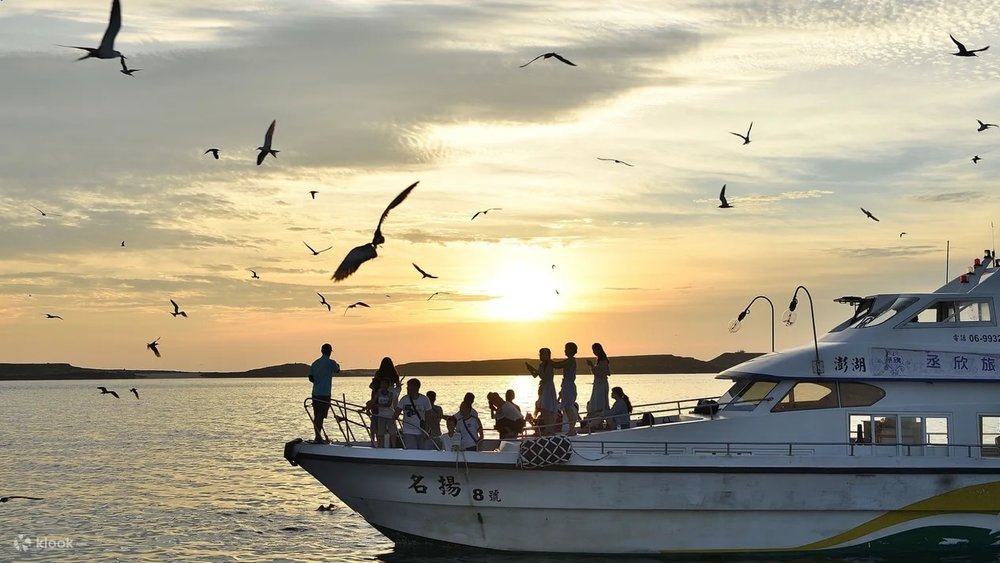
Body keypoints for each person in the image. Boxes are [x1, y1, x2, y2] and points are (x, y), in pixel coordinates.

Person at [308, 343, 340, 443]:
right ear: (330, 352)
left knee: (317, 415)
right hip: (325, 394)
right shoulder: (331, 363)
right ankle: (318, 438)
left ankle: (317, 436)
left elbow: (310, 377)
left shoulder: (315, 363)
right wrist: (338, 366)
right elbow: (337, 370)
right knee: (320, 416)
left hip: (315, 393)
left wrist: (318, 381)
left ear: (321, 351)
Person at [526, 348, 557, 435]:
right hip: (543, 386)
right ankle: (548, 428)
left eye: (541, 354)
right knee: (543, 408)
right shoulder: (541, 365)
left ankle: (550, 429)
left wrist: (536, 371)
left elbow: (545, 377)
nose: (540, 356)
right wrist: (530, 369)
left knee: (548, 407)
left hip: (548, 387)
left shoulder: (549, 364)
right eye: (539, 354)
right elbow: (536, 375)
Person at [396, 378, 431, 450]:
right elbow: (396, 414)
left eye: (409, 386)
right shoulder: (404, 399)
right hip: (408, 430)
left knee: (422, 451)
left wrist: (426, 431)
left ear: (415, 387)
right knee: (412, 450)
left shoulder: (424, 399)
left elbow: (428, 416)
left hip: (421, 430)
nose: (407, 388)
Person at [552, 342, 579, 436]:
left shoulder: (571, 360)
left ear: (571, 350)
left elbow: (557, 365)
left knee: (568, 407)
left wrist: (549, 361)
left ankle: (572, 429)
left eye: (566, 349)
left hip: (569, 385)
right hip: (567, 385)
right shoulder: (570, 360)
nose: (565, 350)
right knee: (567, 408)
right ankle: (572, 429)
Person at [585, 343, 611, 425]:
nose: (594, 352)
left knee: (600, 403)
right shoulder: (600, 360)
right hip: (598, 384)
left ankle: (602, 422)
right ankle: (599, 422)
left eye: (594, 350)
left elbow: (601, 373)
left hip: (601, 384)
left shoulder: (603, 360)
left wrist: (592, 366)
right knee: (597, 402)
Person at [369, 376, 398, 447]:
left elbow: (388, 404)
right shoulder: (378, 393)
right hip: (381, 415)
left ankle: (393, 446)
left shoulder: (390, 394)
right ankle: (380, 446)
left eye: (385, 384)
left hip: (390, 415)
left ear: (388, 385)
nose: (383, 386)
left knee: (392, 432)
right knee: (380, 432)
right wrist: (366, 408)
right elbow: (373, 402)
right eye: (382, 384)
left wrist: (378, 405)